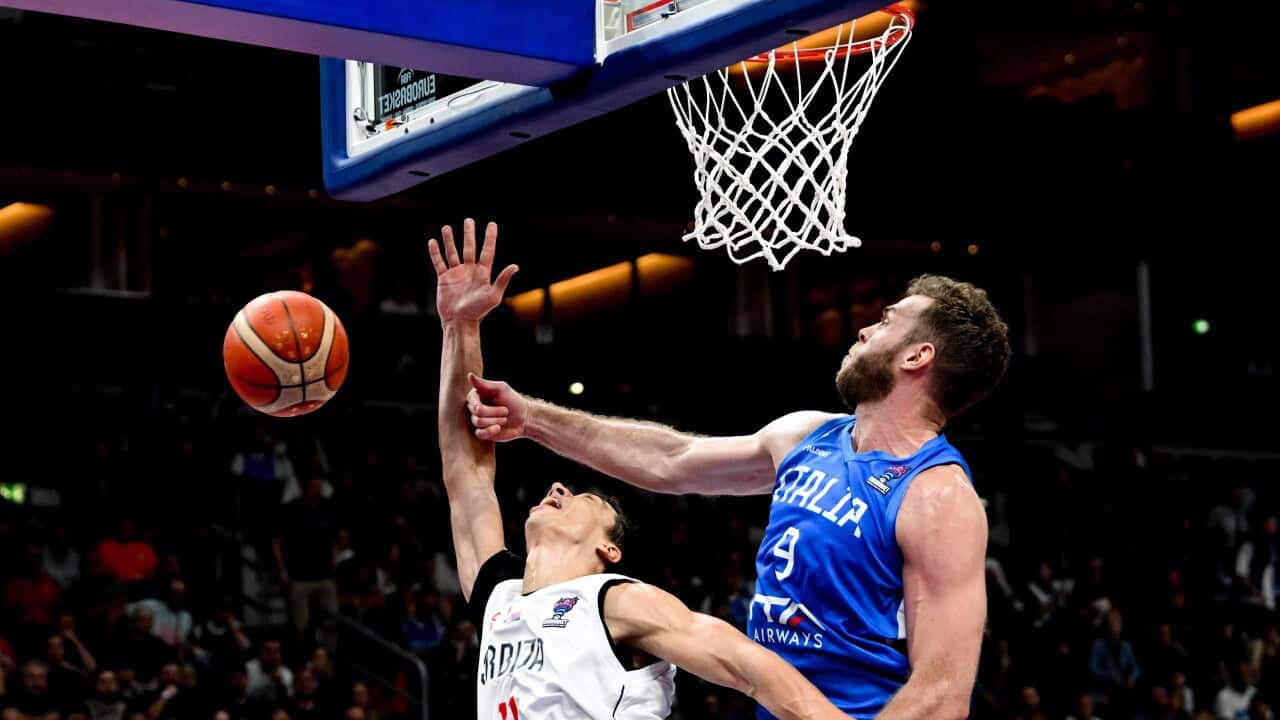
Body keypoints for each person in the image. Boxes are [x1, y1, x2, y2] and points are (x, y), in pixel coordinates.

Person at [467, 251, 1010, 719]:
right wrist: (533, 419)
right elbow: (671, 459)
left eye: (887, 323)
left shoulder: (938, 496)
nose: (866, 329)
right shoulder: (807, 434)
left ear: (918, 357)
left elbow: (941, 697)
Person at [431, 219, 852, 720]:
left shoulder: (613, 601)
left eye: (587, 500)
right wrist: (461, 327)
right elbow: (466, 478)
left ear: (609, 550)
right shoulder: (499, 596)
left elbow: (745, 664)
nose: (558, 487)